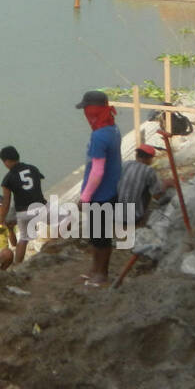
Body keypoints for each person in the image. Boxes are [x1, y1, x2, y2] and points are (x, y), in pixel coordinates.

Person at [76, 90, 122, 287]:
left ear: (92, 111)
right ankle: (95, 269)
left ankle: (101, 275)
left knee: (101, 238)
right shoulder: (113, 128)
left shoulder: (99, 136)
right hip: (110, 191)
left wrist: (85, 197)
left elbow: (97, 171)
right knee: (96, 236)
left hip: (100, 196)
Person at [0, 145, 47, 264]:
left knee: (24, 238)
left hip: (23, 212)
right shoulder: (33, 169)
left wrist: (1, 218)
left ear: (6, 161)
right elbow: (37, 184)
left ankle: (17, 265)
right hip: (40, 207)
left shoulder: (8, 178)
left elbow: (6, 201)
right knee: (63, 221)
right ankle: (57, 246)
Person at [116, 144, 161, 227]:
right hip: (132, 218)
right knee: (148, 188)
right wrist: (166, 185)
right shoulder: (149, 171)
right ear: (149, 159)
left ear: (136, 155)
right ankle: (139, 217)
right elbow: (157, 195)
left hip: (114, 215)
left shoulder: (125, 164)